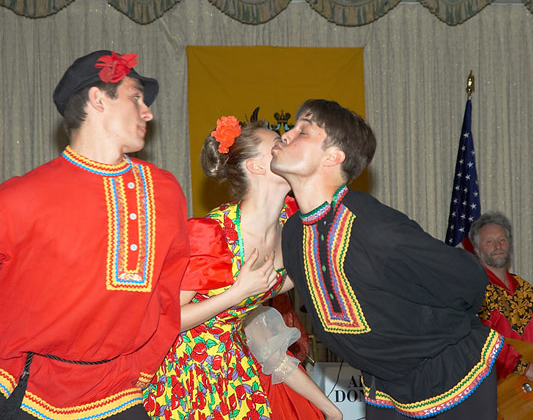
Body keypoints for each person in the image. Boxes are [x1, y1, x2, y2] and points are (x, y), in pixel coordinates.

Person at [270, 99, 504, 419]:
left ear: (333, 157)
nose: (285, 134)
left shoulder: (373, 225)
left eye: (303, 131)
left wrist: (435, 329)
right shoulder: (294, 234)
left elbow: (467, 278)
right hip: (384, 387)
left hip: (451, 375)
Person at [0, 50, 190, 420]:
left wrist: (142, 369)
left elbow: (168, 293)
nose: (148, 112)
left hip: (118, 388)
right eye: (135, 97)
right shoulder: (20, 197)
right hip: (27, 386)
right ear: (97, 99)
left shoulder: (165, 192)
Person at [144, 117, 341, 420]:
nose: (287, 144)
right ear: (256, 167)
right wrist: (237, 293)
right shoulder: (212, 235)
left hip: (234, 379)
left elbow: (266, 345)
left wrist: (332, 411)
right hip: (182, 382)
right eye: (278, 145)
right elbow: (163, 320)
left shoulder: (292, 227)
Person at [469, 211, 533, 382]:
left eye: (502, 240)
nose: (498, 247)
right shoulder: (474, 289)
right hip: (493, 386)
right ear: (477, 249)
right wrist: (521, 367)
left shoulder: (524, 287)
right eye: (489, 242)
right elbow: (480, 341)